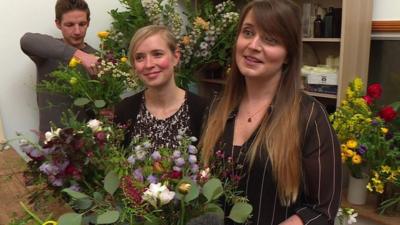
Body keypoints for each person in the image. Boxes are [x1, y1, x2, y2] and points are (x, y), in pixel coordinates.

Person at [199, 1, 341, 224]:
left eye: (270, 39)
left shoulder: (309, 116)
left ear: (288, 55)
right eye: (248, 32)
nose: (253, 45)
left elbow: (322, 210)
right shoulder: (218, 107)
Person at [114, 25, 208, 149]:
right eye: (140, 57)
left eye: (157, 54)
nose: (148, 64)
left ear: (175, 57)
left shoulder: (203, 110)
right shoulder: (124, 110)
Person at [20, 0, 99, 132]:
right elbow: (26, 40)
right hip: (52, 144)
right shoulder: (48, 51)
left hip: (87, 144)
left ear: (88, 23)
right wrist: (78, 54)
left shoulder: (95, 58)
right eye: (69, 25)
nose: (77, 31)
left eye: (82, 24)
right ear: (58, 24)